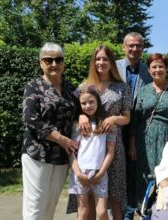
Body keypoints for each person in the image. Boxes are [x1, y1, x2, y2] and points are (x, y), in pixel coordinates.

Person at [67, 45, 132, 220]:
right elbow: (74, 111)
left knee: (115, 195)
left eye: (105, 59)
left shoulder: (122, 87)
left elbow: (127, 118)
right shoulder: (84, 86)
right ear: (93, 62)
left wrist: (114, 119)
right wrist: (80, 117)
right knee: (88, 198)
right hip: (89, 147)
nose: (101, 62)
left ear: (111, 62)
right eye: (98, 59)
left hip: (113, 146)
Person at [22, 42, 78, 220]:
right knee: (36, 205)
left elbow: (79, 112)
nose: (54, 64)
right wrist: (61, 139)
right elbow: (30, 118)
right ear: (41, 63)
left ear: (64, 63)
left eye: (58, 60)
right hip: (38, 153)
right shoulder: (33, 86)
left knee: (50, 205)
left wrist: (82, 117)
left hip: (62, 157)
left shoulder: (71, 89)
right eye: (48, 60)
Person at [130, 53, 168, 210]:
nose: (158, 69)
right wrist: (132, 144)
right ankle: (143, 210)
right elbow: (135, 119)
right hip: (143, 138)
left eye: (161, 66)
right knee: (143, 175)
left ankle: (162, 209)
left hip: (166, 139)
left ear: (166, 69)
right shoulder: (143, 90)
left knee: (165, 173)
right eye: (154, 67)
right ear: (149, 70)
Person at [116, 32, 152, 220]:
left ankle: (137, 208)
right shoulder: (113, 66)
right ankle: (121, 212)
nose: (134, 49)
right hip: (115, 128)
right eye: (131, 45)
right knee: (118, 174)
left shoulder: (149, 70)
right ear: (123, 47)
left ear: (143, 48)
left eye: (138, 45)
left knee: (137, 171)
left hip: (139, 129)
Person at [69, 85, 117, 220]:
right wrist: (78, 173)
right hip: (80, 173)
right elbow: (71, 151)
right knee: (83, 211)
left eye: (91, 102)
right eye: (83, 103)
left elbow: (110, 152)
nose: (88, 106)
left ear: (98, 101)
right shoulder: (77, 125)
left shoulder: (108, 125)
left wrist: (101, 173)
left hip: (100, 173)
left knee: (102, 212)